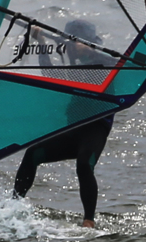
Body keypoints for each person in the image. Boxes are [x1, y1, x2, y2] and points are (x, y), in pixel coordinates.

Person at [12, 20, 115, 228]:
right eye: (74, 43)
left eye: (83, 43)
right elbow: (50, 73)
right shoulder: (69, 63)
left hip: (95, 128)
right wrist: (41, 42)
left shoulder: (107, 62)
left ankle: (88, 221)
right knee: (32, 154)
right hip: (73, 128)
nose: (76, 48)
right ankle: (11, 207)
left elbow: (114, 67)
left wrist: (88, 50)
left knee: (84, 164)